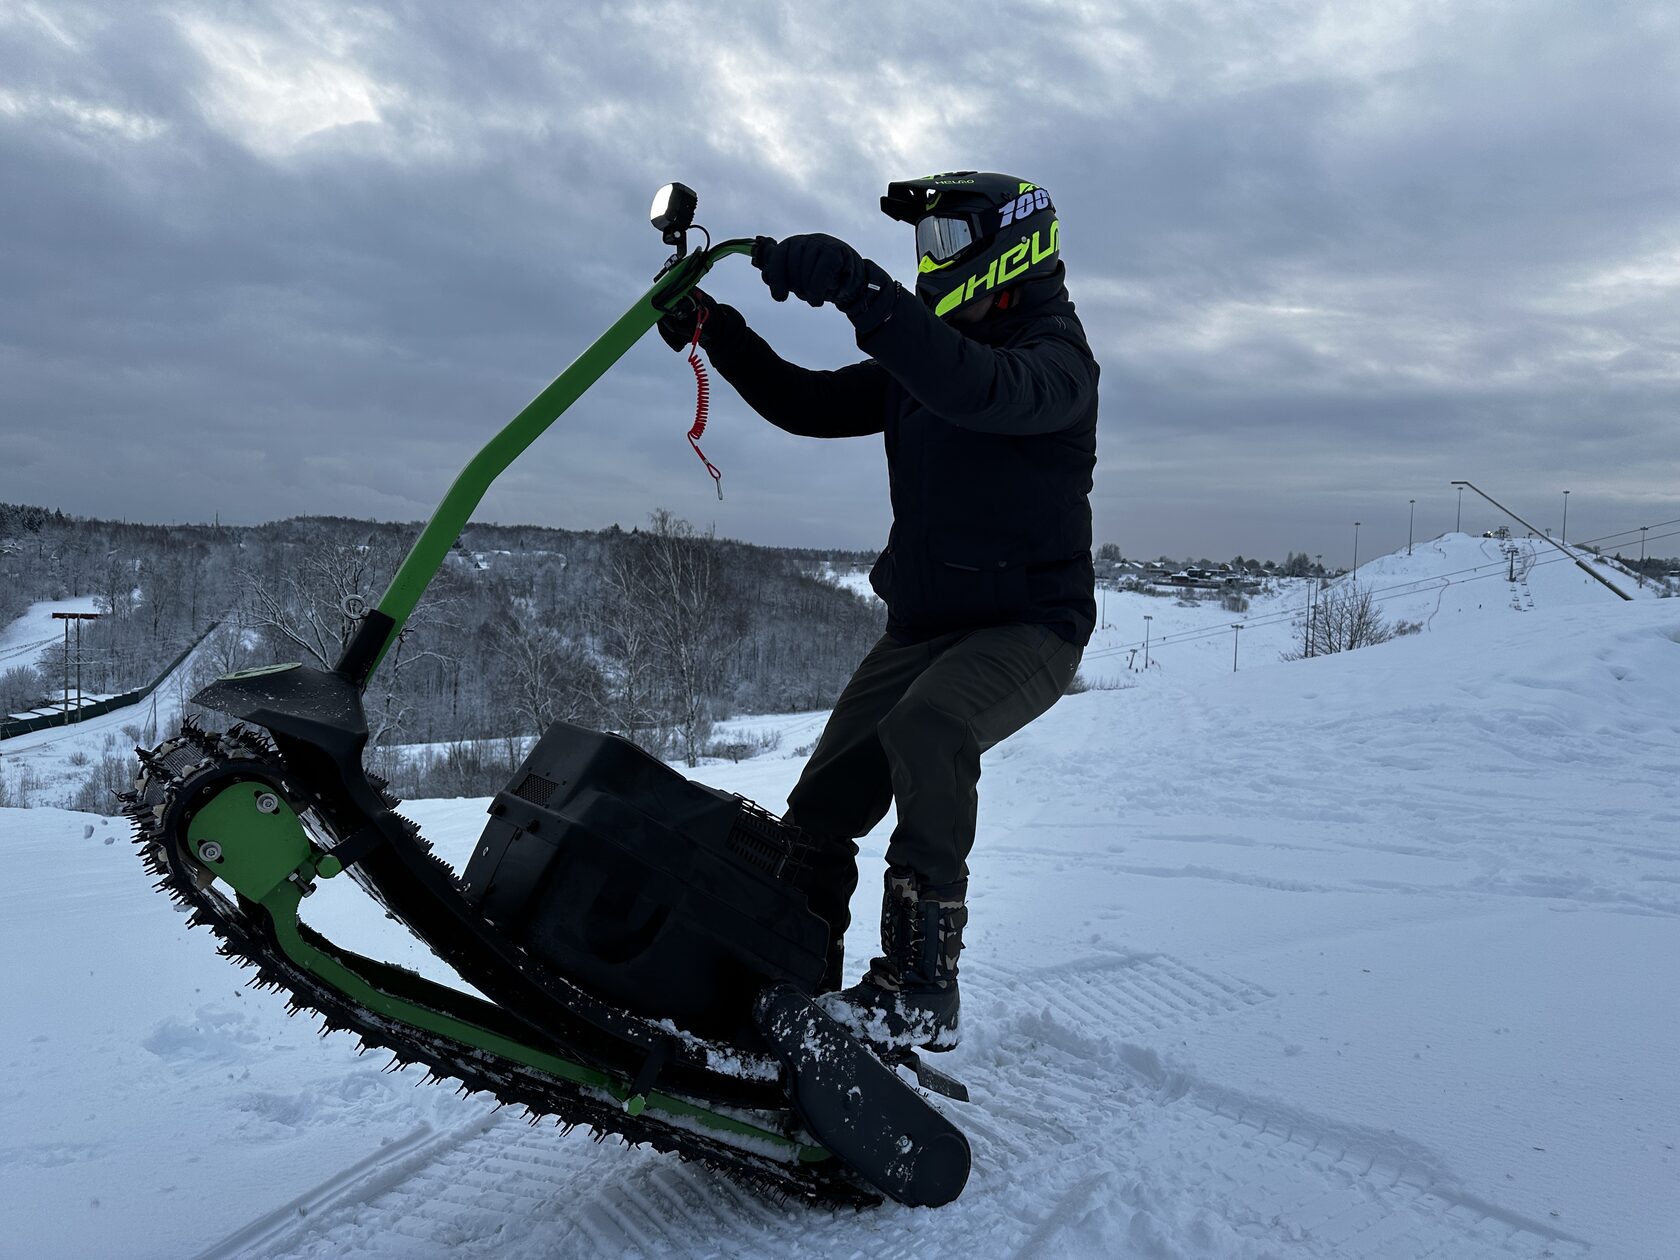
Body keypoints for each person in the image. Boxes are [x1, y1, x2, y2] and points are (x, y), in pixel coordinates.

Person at [658, 172, 1099, 1052]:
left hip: (1028, 625)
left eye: (942, 245)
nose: (928, 267)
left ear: (1007, 247)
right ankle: (786, 974)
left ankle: (917, 991)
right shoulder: (929, 352)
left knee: (931, 730)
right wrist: (720, 330)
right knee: (821, 805)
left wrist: (862, 289)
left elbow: (974, 389)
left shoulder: (1053, 362)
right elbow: (809, 403)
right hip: (924, 624)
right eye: (918, 250)